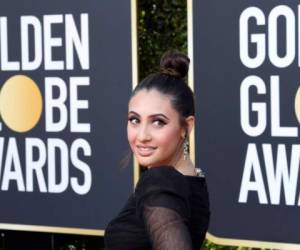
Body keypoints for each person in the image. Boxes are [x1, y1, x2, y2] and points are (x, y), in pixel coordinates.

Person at [104, 51, 210, 250]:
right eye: (134, 120)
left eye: (158, 122)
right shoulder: (193, 179)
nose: (142, 135)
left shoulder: (160, 182)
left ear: (186, 127)